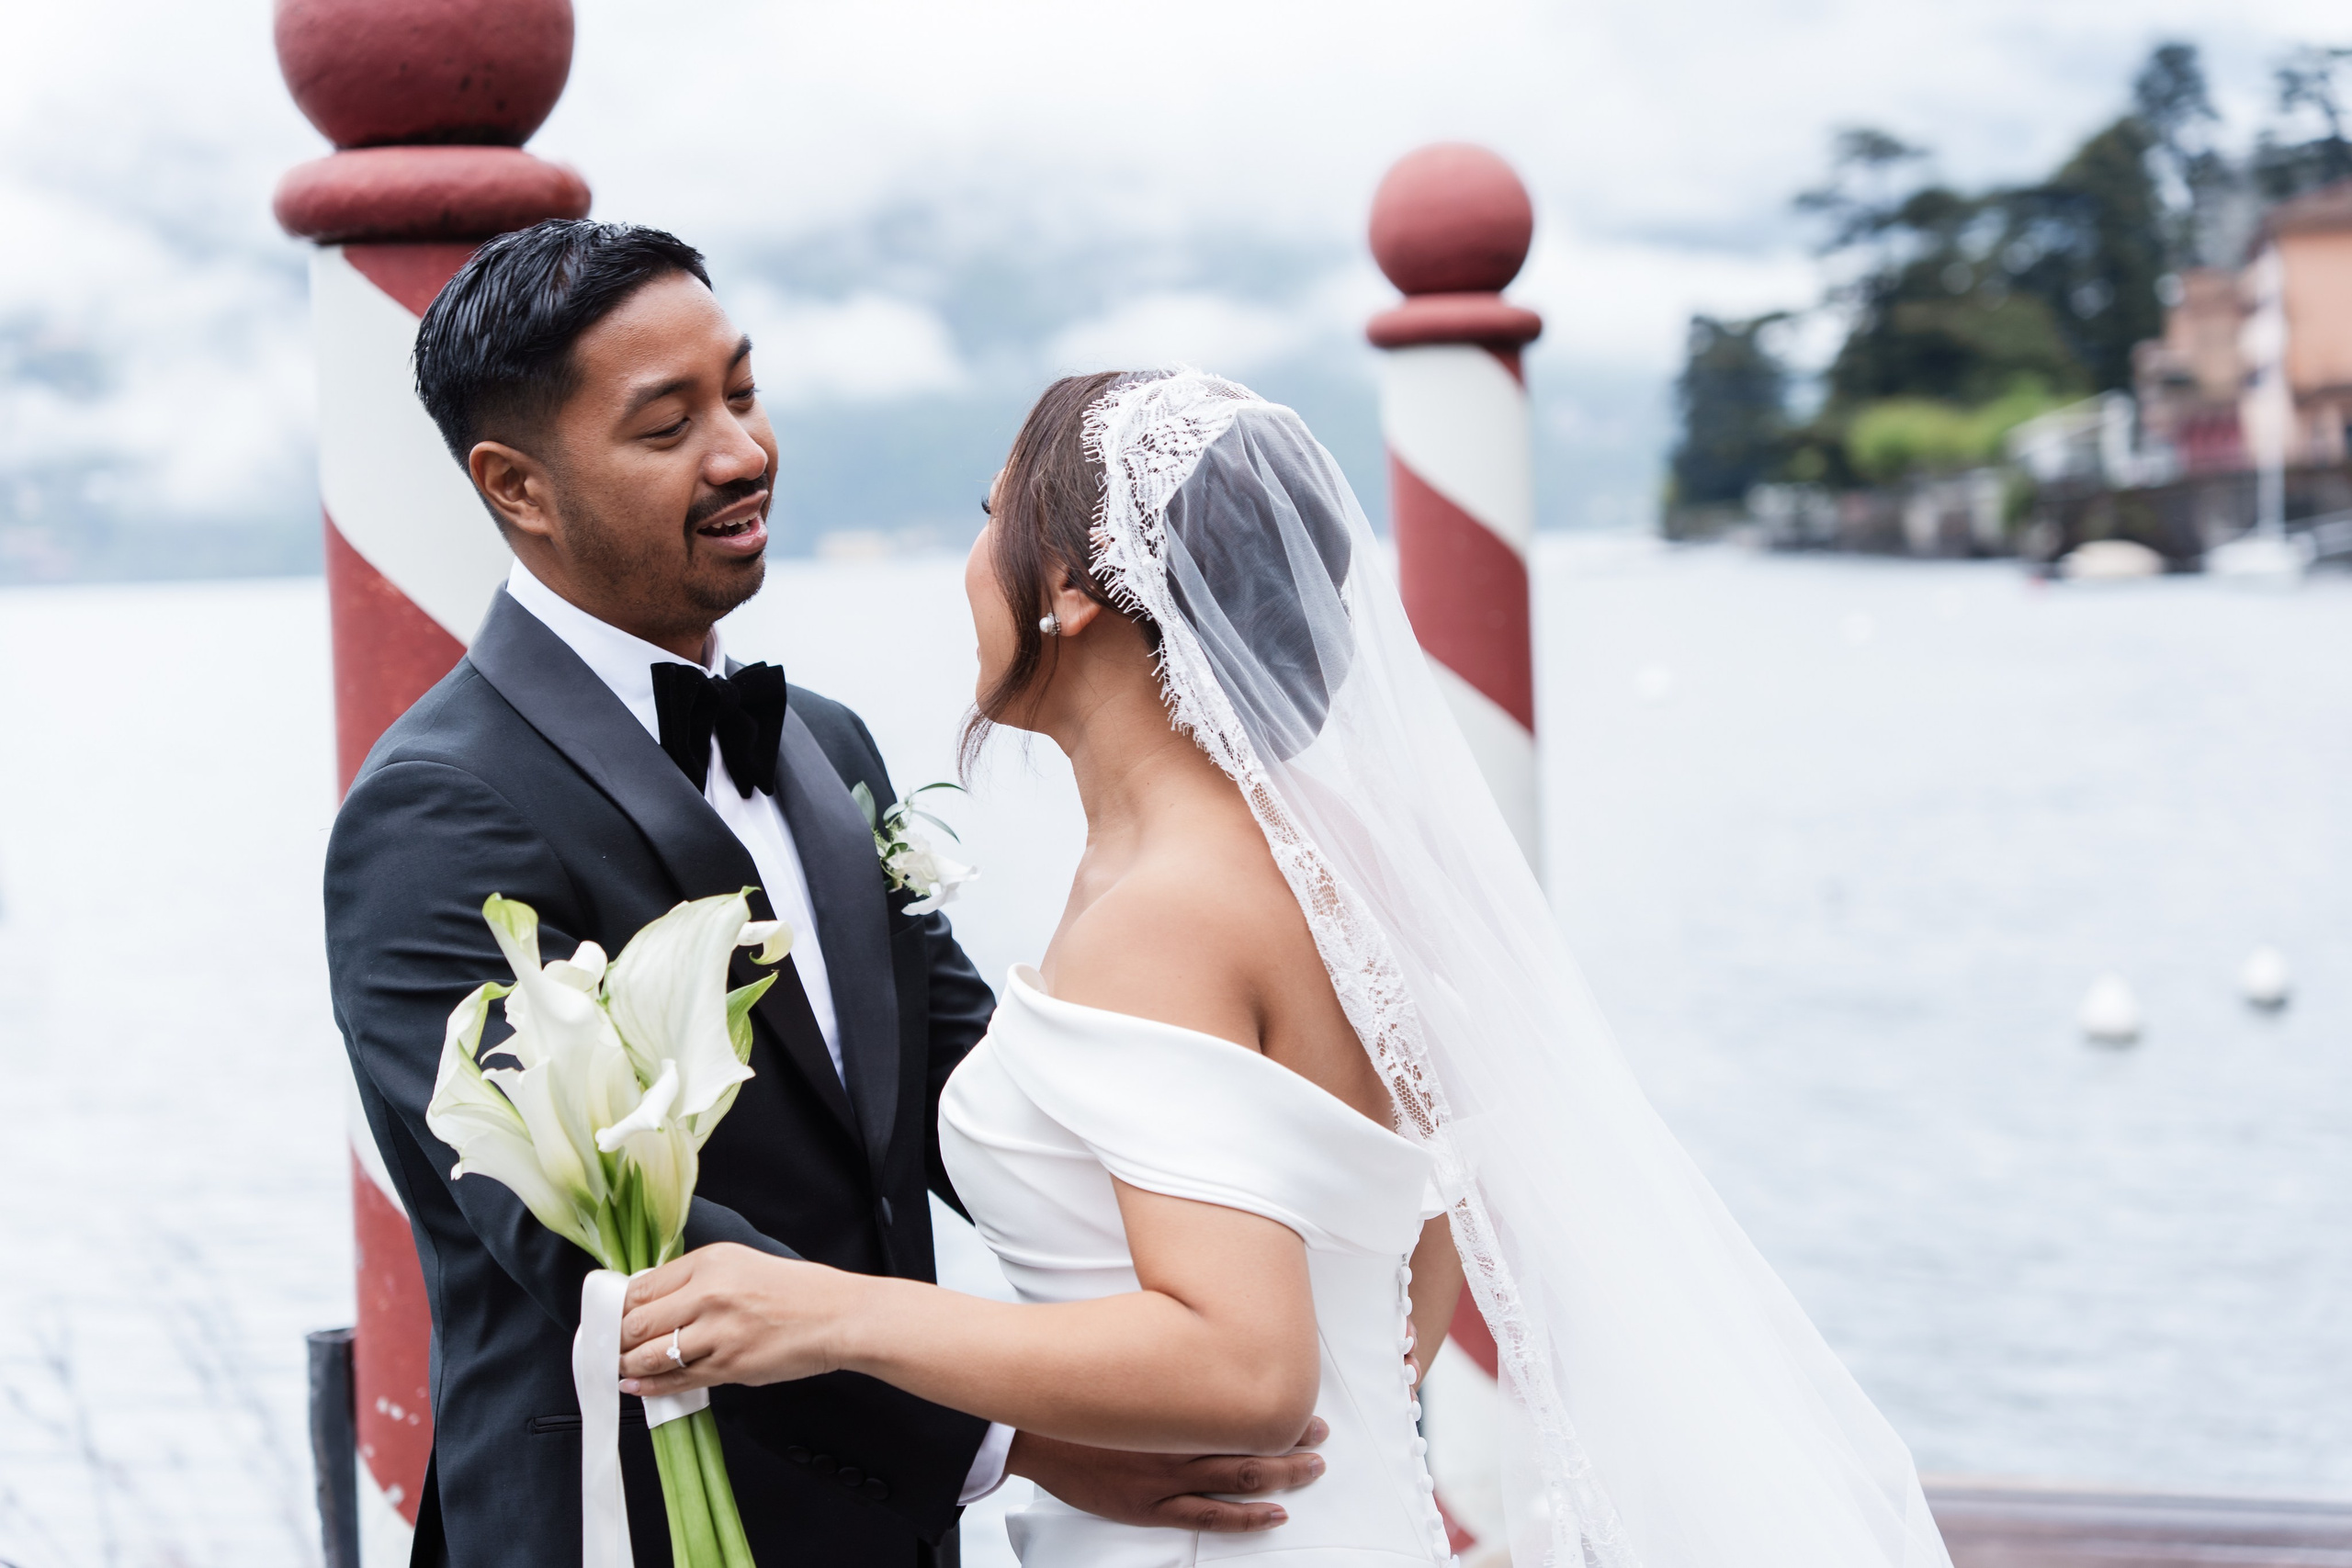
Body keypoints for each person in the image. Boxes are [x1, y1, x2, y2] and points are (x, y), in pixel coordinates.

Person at [616, 369, 1962, 1568]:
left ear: (1075, 587)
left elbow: (1247, 1367)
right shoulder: (1338, 874)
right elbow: (1415, 1266)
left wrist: (833, 1316)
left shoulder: (1167, 913)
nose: (970, 564)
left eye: (987, 518)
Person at [322, 224, 1321, 1568]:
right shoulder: (435, 813)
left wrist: (1245, 1220)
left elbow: (983, 1098)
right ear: (519, 486)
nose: (742, 453)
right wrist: (1009, 1435)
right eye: (668, 426)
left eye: (741, 392)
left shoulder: (825, 747)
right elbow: (597, 1238)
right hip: (633, 1531)